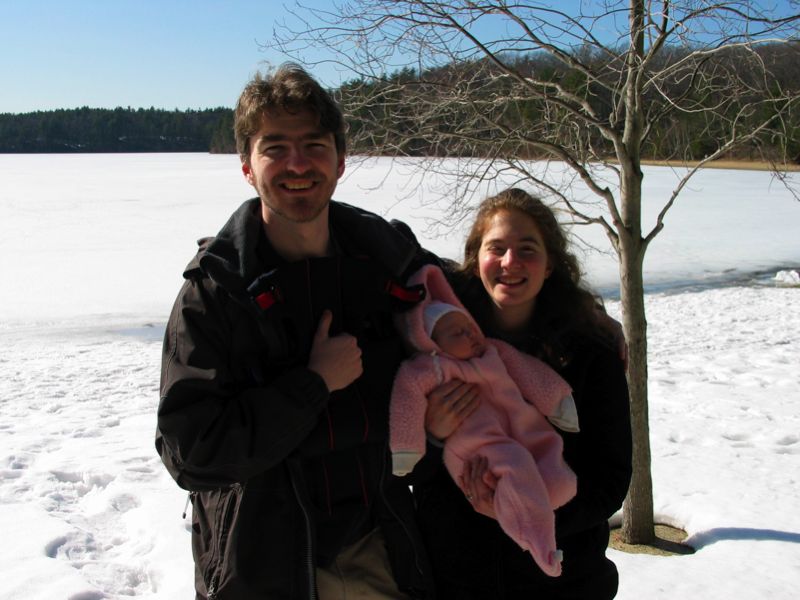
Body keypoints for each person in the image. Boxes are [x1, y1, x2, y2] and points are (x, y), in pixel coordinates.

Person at [155, 63, 437, 600]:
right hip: (266, 562)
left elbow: (484, 298)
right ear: (246, 166)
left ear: (340, 159)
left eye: (313, 144)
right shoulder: (216, 292)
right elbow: (190, 452)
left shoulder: (385, 261)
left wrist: (581, 320)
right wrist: (312, 385)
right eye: (275, 147)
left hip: (379, 548)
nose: (297, 163)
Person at [414, 188, 633, 599]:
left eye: (527, 249)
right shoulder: (438, 341)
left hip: (562, 580)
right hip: (455, 576)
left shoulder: (589, 353)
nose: (510, 263)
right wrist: (432, 435)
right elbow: (403, 464)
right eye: (496, 248)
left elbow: (610, 477)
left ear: (550, 264)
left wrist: (528, 513)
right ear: (476, 257)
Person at [389, 264, 579, 577]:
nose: (470, 335)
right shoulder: (429, 370)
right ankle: (539, 543)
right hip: (477, 449)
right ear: (432, 341)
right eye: (456, 333)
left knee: (559, 478)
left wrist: (557, 400)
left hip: (522, 432)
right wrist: (407, 449)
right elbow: (406, 400)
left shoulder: (494, 351)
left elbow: (528, 372)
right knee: (515, 461)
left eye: (470, 327)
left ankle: (529, 514)